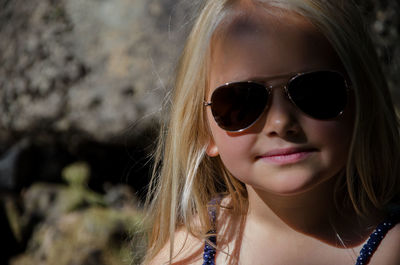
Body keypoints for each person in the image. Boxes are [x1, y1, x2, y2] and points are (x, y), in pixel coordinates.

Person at [143, 0, 400, 264]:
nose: (280, 122)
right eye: (241, 101)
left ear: (364, 102)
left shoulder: (392, 250)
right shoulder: (186, 255)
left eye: (314, 91)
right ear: (203, 130)